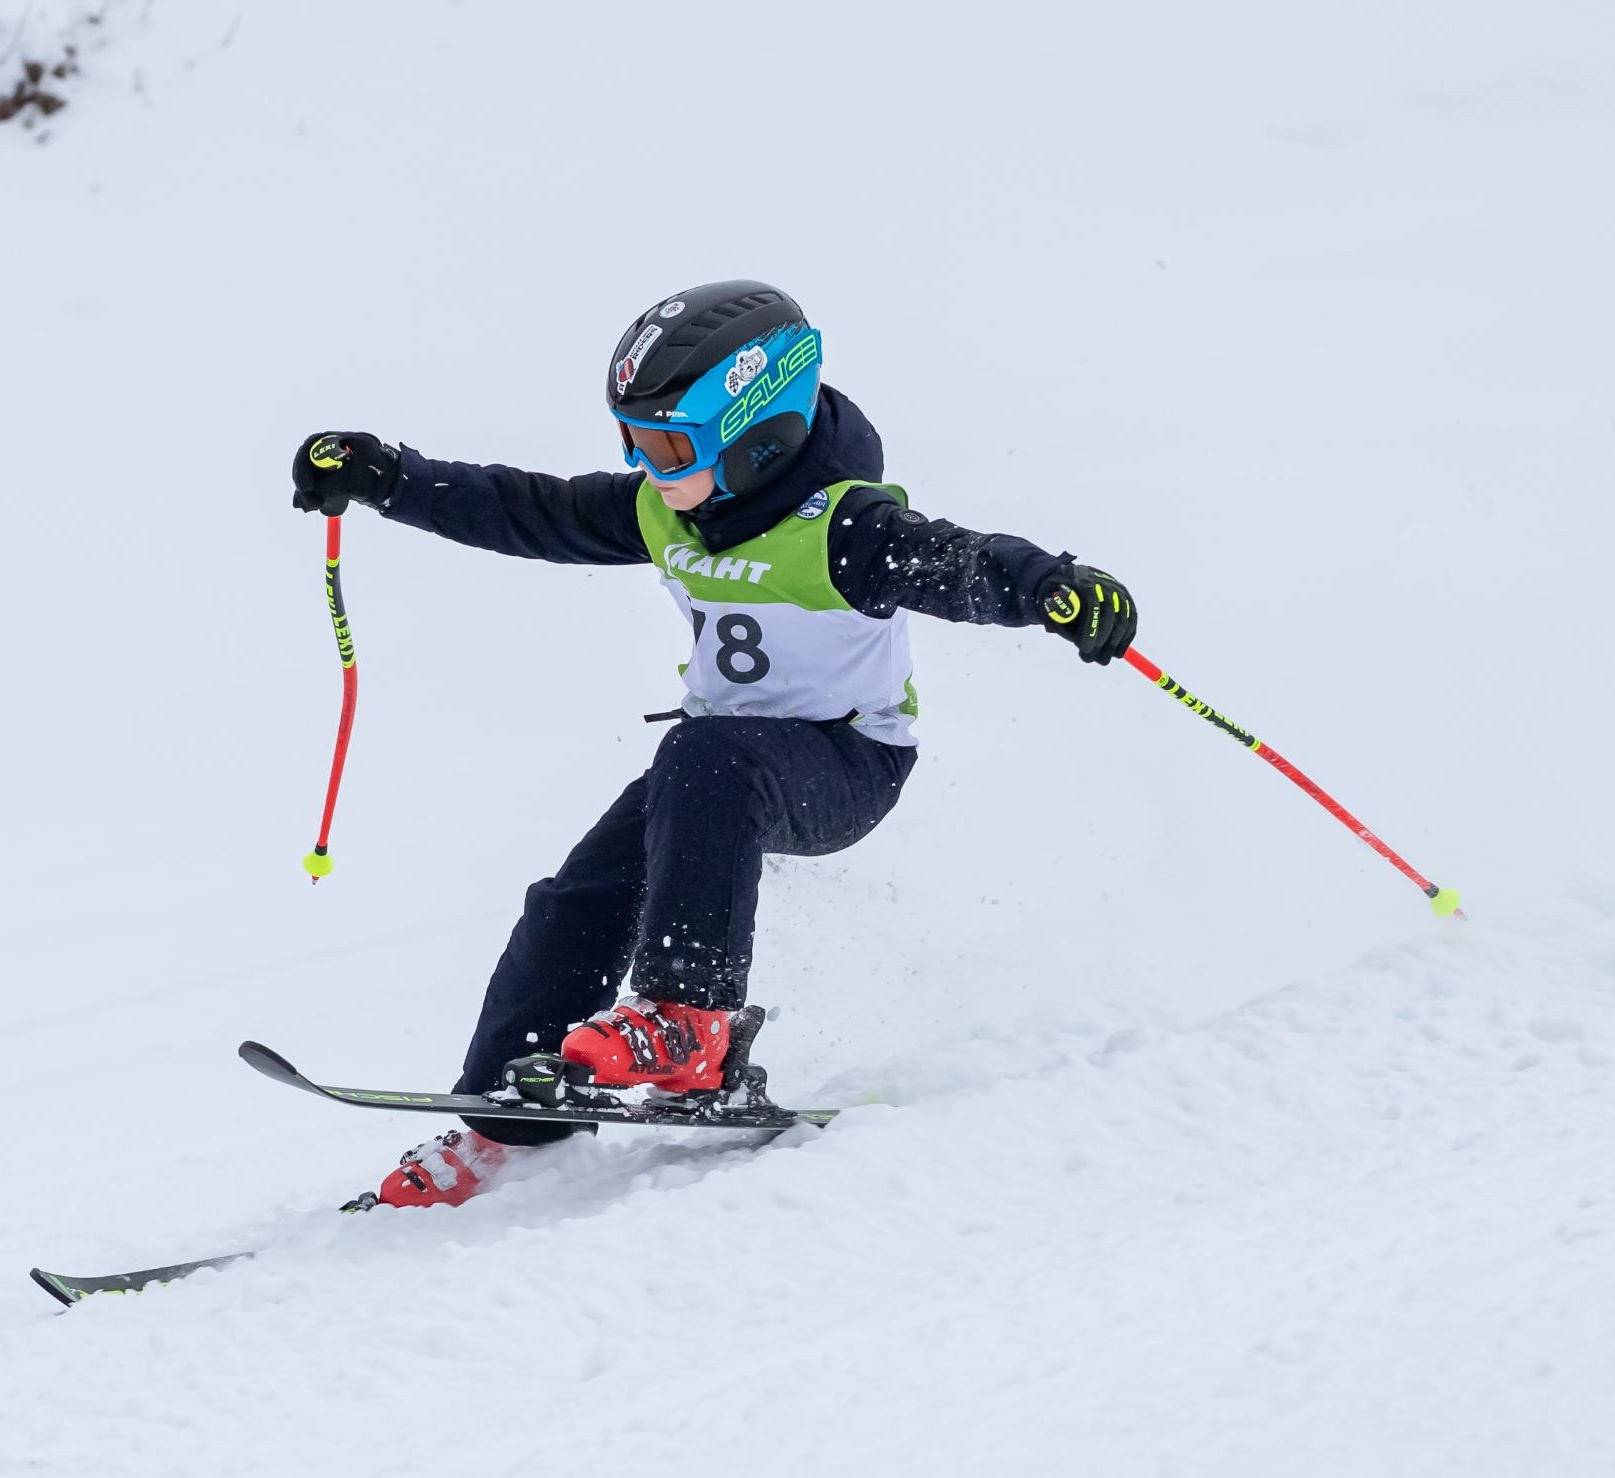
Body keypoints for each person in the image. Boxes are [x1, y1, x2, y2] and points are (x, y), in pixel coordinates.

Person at [291, 280, 1135, 1208]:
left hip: (845, 765)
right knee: (574, 900)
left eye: (667, 445)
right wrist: (389, 479)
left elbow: (958, 562)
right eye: (632, 441)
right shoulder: (664, 508)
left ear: (758, 437)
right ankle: (508, 1120)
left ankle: (688, 1017)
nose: (645, 468)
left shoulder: (845, 530)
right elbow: (528, 508)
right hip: (714, 774)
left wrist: (1053, 588)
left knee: (705, 754)